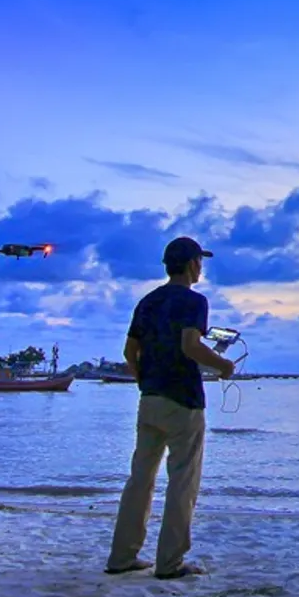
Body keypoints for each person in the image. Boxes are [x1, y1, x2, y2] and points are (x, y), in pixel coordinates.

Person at [105, 236, 237, 579]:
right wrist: (223, 365)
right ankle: (170, 563)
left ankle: (122, 557)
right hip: (184, 401)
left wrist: (143, 381)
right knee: (182, 483)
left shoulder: (147, 302)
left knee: (140, 480)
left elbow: (129, 352)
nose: (201, 268)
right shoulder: (195, 301)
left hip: (149, 399)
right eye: (200, 262)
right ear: (193, 264)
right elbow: (191, 346)